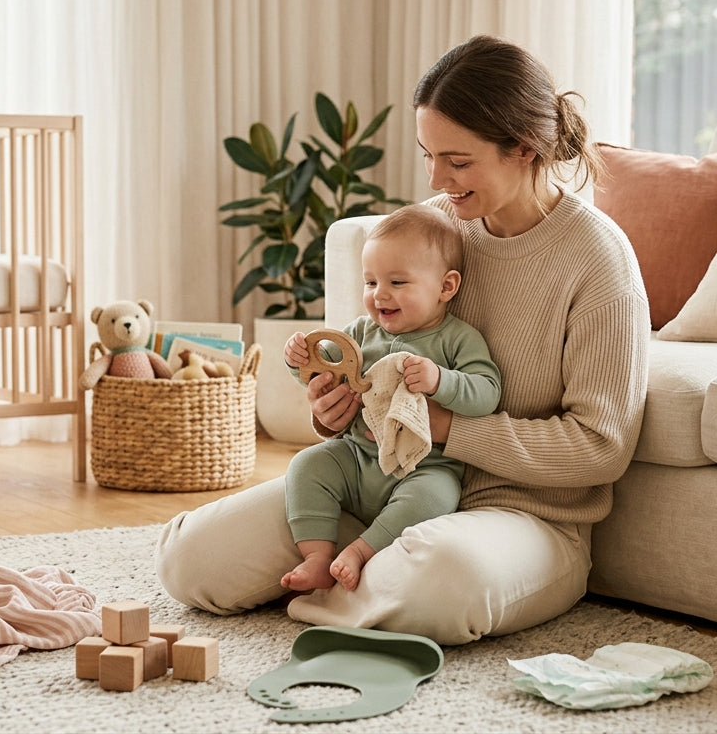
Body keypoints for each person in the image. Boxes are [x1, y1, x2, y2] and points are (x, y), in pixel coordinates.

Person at [156, 34, 649, 646]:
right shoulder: (438, 228)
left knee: (443, 580)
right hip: (381, 484)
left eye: (459, 161)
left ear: (524, 149)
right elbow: (369, 356)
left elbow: (600, 449)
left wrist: (444, 426)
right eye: (429, 156)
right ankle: (362, 582)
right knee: (190, 562)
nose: (439, 179)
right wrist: (333, 409)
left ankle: (354, 588)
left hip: (523, 519)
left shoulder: (597, 260)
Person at [280, 203, 501, 593]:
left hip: (421, 465)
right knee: (307, 465)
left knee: (436, 496)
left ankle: (362, 551)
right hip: (357, 457)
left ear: (446, 287)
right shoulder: (363, 333)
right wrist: (298, 361)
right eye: (370, 283)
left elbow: (487, 393)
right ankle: (316, 555)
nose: (380, 295)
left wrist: (440, 381)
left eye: (397, 283)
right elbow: (323, 372)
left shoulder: (457, 338)